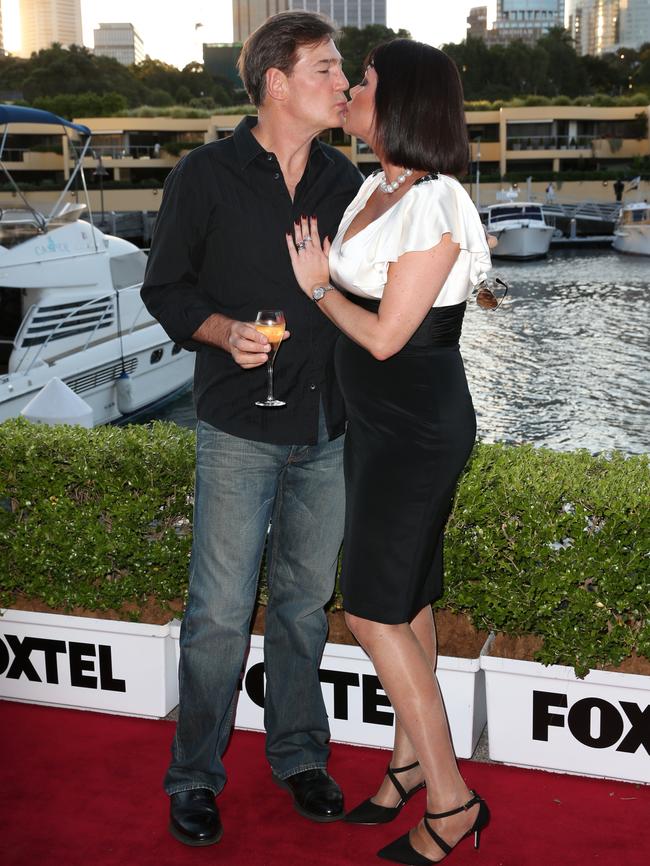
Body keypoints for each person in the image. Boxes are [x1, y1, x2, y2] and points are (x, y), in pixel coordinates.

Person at [140, 11, 362, 847]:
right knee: (221, 613)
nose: (342, 82)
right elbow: (166, 291)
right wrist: (219, 331)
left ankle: (300, 756)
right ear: (277, 81)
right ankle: (194, 775)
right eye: (328, 69)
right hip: (237, 426)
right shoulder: (204, 174)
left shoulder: (346, 180)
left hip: (329, 425)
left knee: (305, 608)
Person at [286, 39, 493, 865]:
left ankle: (453, 804)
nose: (351, 90)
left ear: (398, 100)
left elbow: (383, 336)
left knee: (371, 611)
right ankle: (408, 764)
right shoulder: (378, 185)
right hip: (376, 424)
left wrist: (317, 288)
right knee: (406, 601)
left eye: (363, 81)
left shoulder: (435, 203)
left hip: (415, 427)